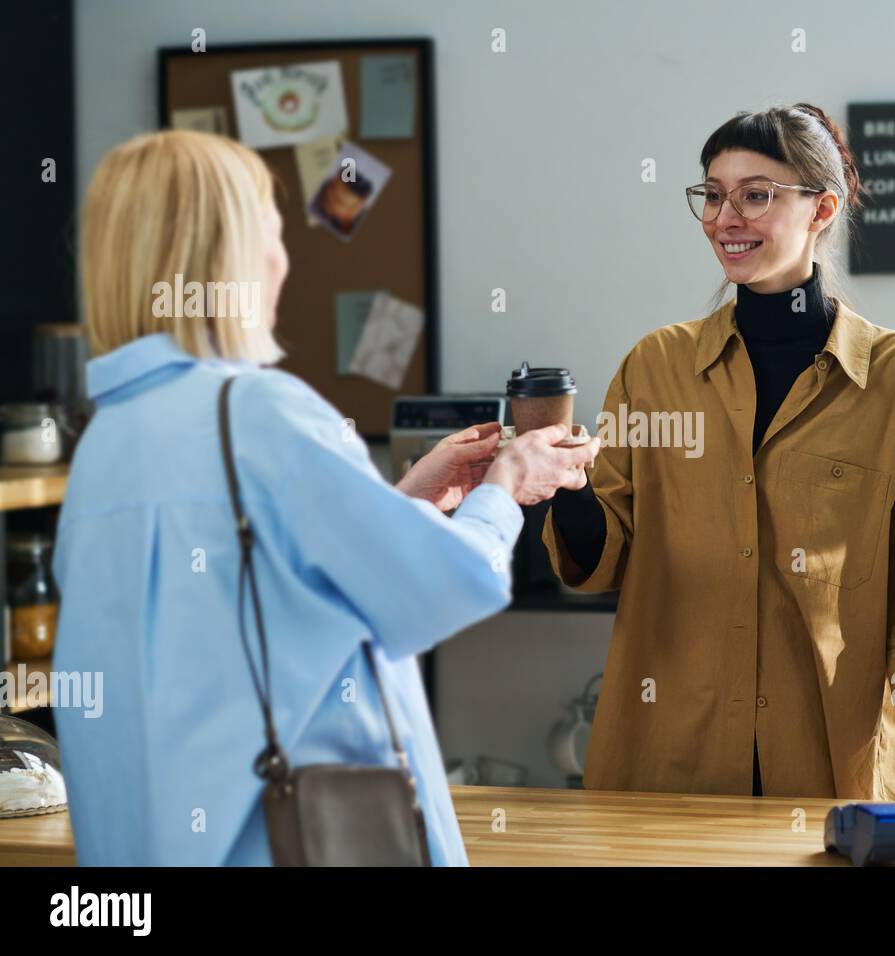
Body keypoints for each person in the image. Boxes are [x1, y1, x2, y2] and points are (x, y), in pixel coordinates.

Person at [51, 129, 598, 865]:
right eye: (272, 236)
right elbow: (441, 586)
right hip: (292, 840)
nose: (282, 263)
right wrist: (506, 485)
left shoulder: (105, 445)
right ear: (229, 258)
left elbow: (261, 591)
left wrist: (403, 500)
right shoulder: (257, 410)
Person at [545, 104, 895, 802]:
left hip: (830, 752)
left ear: (822, 209)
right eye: (712, 195)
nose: (725, 217)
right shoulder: (655, 368)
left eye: (756, 195)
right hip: (668, 754)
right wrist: (565, 479)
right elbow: (597, 562)